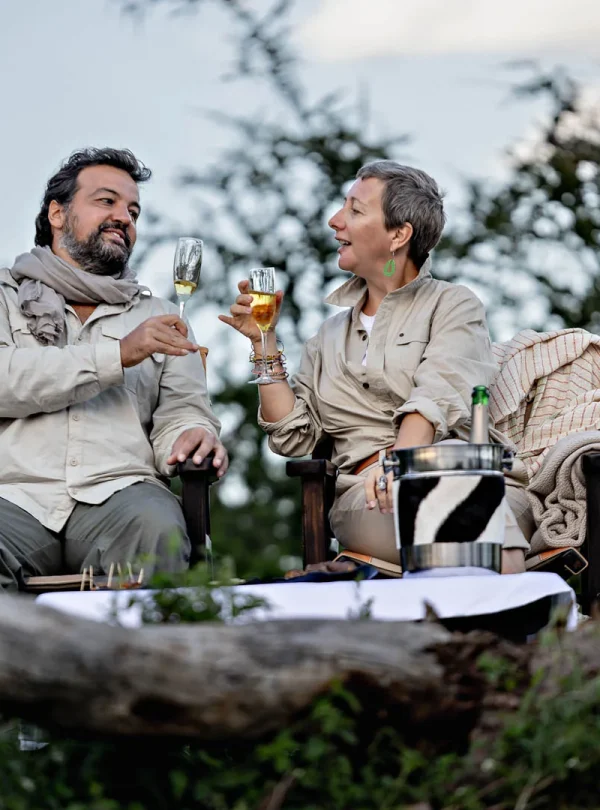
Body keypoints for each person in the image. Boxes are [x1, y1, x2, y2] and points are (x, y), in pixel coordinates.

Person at [220, 160, 533, 575]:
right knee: (468, 533)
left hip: (463, 471)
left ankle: (494, 614)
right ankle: (511, 615)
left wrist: (401, 468)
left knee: (457, 495)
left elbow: (438, 395)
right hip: (368, 499)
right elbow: (294, 437)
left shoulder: (454, 305)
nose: (335, 221)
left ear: (399, 235)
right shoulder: (327, 337)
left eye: (354, 210)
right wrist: (264, 342)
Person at [0, 147, 227, 588]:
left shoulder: (158, 314)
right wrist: (118, 355)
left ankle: (147, 658)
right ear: (57, 214)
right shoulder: (5, 298)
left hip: (121, 493)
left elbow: (183, 411)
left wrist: (193, 436)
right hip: (14, 495)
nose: (124, 217)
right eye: (106, 201)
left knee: (157, 531)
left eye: (133, 211)